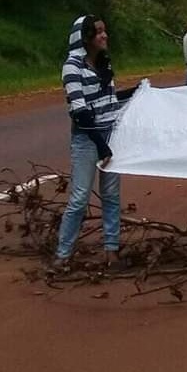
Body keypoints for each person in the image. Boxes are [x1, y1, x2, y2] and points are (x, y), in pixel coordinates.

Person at [52, 15, 133, 273]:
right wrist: (102, 147)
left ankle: (111, 251)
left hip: (110, 135)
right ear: (85, 37)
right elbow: (81, 112)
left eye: (104, 31)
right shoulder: (72, 67)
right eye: (98, 32)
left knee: (111, 196)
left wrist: (136, 92)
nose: (104, 36)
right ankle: (62, 256)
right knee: (79, 198)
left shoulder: (103, 64)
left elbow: (107, 101)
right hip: (88, 140)